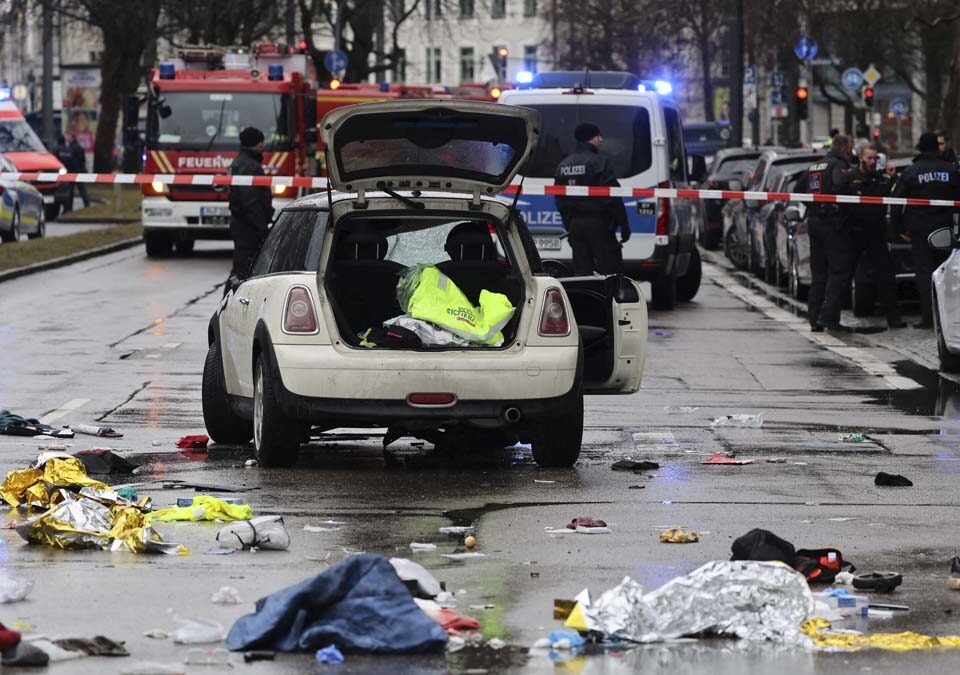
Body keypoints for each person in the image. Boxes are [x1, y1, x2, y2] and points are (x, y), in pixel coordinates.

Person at [891, 131, 960, 328]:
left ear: (920, 148)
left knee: (924, 274)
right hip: (944, 230)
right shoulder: (951, 170)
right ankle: (946, 318)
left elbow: (896, 202)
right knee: (945, 274)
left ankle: (928, 317)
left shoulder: (911, 172)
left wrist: (897, 229)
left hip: (919, 231)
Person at [554, 122, 629, 276]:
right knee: (610, 272)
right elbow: (612, 197)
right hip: (599, 224)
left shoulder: (563, 165)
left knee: (582, 273)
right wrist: (624, 225)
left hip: (576, 226)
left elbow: (560, 200)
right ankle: (607, 293)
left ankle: (584, 293)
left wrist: (569, 225)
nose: (601, 140)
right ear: (589, 138)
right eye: (597, 136)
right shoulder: (600, 162)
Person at [845, 144, 904, 329]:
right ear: (861, 158)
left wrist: (893, 177)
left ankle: (894, 318)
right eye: (869, 158)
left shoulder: (882, 179)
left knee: (886, 276)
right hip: (854, 233)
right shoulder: (850, 177)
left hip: (876, 234)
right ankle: (830, 316)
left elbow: (896, 194)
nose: (872, 162)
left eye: (875, 158)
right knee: (844, 275)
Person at [805, 134, 854, 332]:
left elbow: (800, 190)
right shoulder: (838, 165)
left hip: (814, 221)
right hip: (832, 224)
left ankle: (814, 317)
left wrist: (814, 208)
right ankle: (829, 317)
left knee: (819, 274)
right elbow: (841, 187)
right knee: (838, 271)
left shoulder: (815, 166)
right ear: (844, 148)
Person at [228, 127, 273, 282]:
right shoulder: (249, 166)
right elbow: (250, 201)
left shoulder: (242, 162)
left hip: (244, 225)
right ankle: (231, 296)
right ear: (254, 143)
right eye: (260, 142)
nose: (263, 146)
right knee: (243, 271)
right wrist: (262, 228)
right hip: (248, 228)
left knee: (243, 268)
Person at [67, 133, 90, 208]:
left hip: (73, 172)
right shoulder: (79, 147)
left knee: (70, 191)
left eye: (68, 137)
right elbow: (83, 160)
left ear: (72, 138)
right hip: (79, 171)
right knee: (82, 190)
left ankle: (69, 207)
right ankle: (87, 205)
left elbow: (71, 161)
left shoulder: (71, 148)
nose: (67, 138)